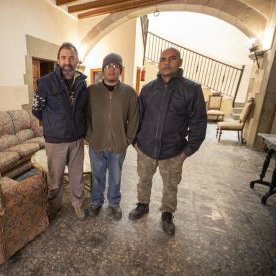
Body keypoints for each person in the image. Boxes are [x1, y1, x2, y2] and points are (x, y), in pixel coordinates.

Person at [128, 47, 207, 235]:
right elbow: (138, 117)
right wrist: (136, 141)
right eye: (163, 59)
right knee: (143, 180)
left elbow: (199, 122)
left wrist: (188, 150)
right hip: (146, 148)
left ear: (180, 62)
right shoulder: (147, 90)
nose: (166, 62)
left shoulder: (191, 90)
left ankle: (167, 214)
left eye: (172, 59)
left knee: (171, 185)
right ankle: (142, 205)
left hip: (173, 151)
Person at [32, 42, 88, 221]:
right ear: (58, 60)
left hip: (77, 138)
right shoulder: (46, 82)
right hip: (55, 140)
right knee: (55, 178)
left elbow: (84, 108)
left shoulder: (81, 82)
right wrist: (53, 123)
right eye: (63, 57)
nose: (67, 61)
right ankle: (54, 207)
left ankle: (78, 205)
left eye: (71, 57)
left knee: (77, 176)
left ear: (77, 60)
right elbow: (36, 109)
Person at [85, 53, 139, 219]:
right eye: (108, 66)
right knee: (97, 175)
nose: (112, 69)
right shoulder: (92, 91)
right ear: (103, 69)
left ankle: (114, 203)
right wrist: (89, 136)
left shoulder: (129, 92)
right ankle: (96, 202)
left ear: (120, 70)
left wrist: (127, 140)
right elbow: (85, 115)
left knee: (116, 177)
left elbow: (134, 118)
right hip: (97, 144)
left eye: (116, 66)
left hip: (118, 145)